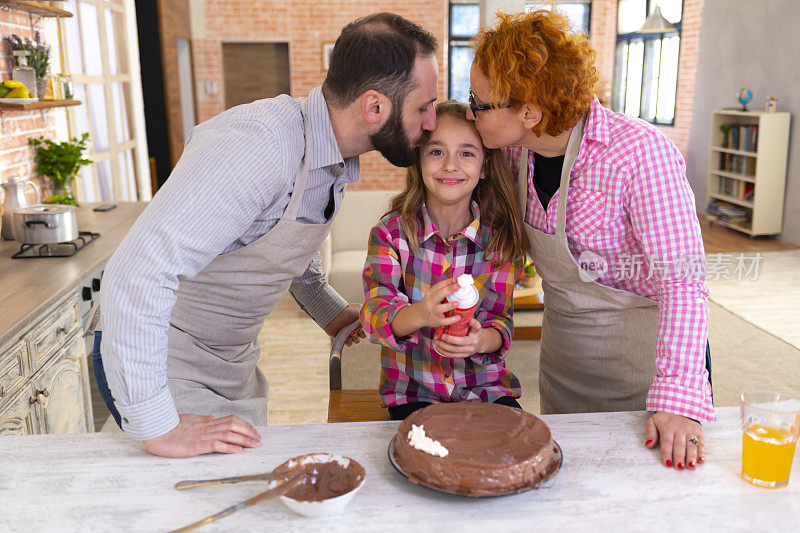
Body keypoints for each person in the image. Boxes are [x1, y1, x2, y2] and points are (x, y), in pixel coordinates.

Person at [88, 12, 439, 458]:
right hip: (162, 358)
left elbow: (277, 242)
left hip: (232, 362)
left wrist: (329, 311)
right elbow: (135, 275)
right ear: (374, 107)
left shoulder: (332, 155)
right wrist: (158, 428)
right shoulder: (258, 147)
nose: (430, 122)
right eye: (423, 107)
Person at [468, 10, 714, 471]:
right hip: (565, 367)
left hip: (643, 376)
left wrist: (679, 399)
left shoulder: (639, 154)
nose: (471, 111)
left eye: (478, 103)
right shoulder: (514, 153)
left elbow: (683, 281)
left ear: (530, 112)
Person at [360, 100, 529, 420]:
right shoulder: (390, 235)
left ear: (485, 167)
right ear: (419, 160)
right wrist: (420, 314)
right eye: (437, 151)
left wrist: (479, 341)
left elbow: (500, 325)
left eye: (466, 153)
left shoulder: (499, 241)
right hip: (414, 394)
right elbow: (374, 316)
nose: (451, 165)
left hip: (486, 391)